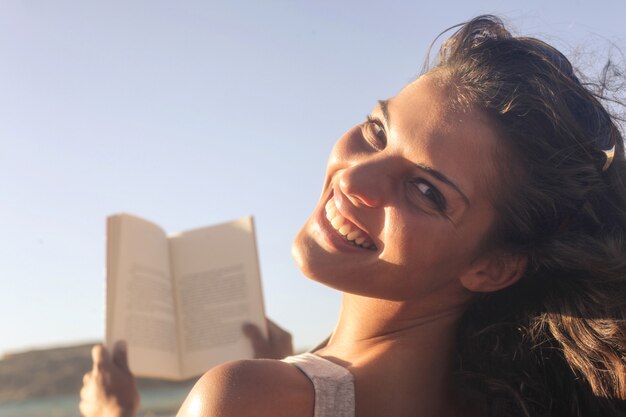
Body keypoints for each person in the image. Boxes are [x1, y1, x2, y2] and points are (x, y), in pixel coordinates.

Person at [80, 15, 626, 417]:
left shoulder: (246, 398)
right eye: (376, 130)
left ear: (494, 266)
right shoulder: (502, 402)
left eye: (425, 190)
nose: (353, 179)